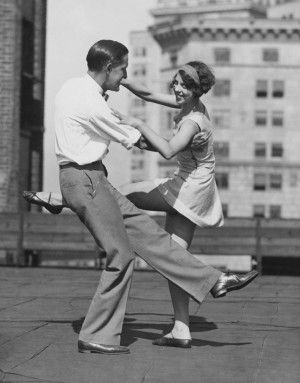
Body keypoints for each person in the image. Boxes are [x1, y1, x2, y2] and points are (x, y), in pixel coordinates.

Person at [24, 40, 258, 354]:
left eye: (182, 84)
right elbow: (142, 123)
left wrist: (137, 118)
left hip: (156, 185)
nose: (126, 75)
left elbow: (158, 141)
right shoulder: (93, 101)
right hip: (87, 179)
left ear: (195, 91)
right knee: (125, 254)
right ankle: (97, 335)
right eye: (122, 70)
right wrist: (134, 113)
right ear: (109, 68)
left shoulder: (74, 86)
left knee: (153, 239)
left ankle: (211, 283)